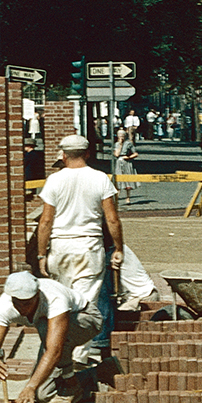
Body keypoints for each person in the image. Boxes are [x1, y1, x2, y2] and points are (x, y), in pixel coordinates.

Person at [35, 133, 125, 372]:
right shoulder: (100, 179)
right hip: (89, 246)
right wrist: (118, 248)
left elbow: (45, 221)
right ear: (87, 153)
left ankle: (59, 356)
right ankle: (77, 360)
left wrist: (41, 254)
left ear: (63, 155)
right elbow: (112, 219)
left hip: (60, 246)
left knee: (62, 302)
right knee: (85, 305)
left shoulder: (54, 181)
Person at [0, 269, 102, 403]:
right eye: (17, 302)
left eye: (27, 303)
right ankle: (100, 372)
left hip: (87, 318)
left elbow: (55, 351)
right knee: (43, 393)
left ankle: (72, 387)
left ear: (37, 295)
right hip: (52, 332)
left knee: (44, 327)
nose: (21, 308)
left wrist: (30, 386)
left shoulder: (53, 297)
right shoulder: (4, 305)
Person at [113, 122, 139, 204]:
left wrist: (129, 157)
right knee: (118, 180)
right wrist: (120, 145)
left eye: (122, 135)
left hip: (127, 163)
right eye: (119, 136)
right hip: (119, 163)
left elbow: (135, 153)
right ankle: (117, 198)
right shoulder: (116, 144)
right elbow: (116, 154)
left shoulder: (129, 144)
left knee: (128, 181)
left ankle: (128, 198)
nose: (121, 137)